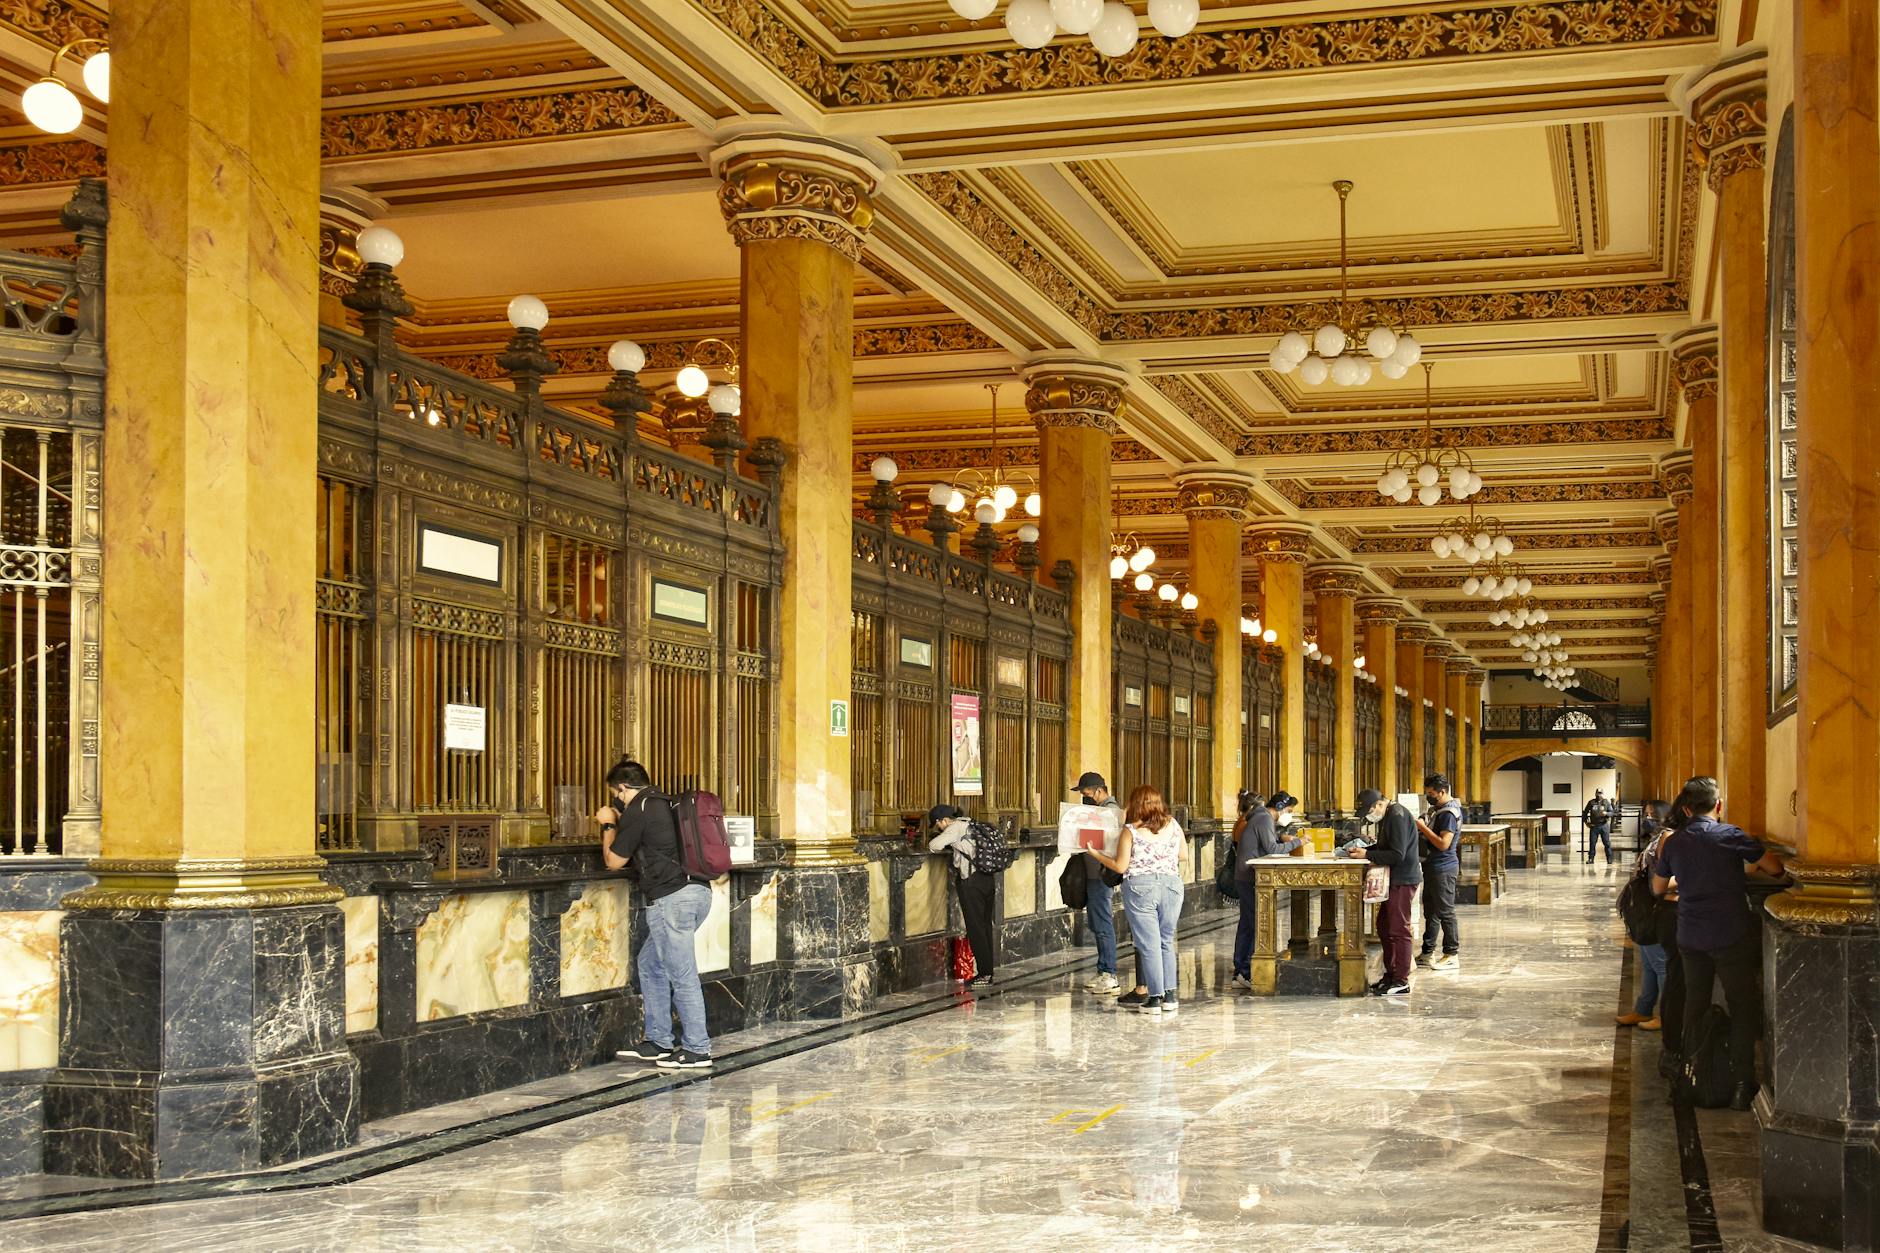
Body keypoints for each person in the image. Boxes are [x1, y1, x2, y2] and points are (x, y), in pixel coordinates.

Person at [1651, 775, 1786, 1110]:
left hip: (1691, 935)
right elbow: (1775, 868)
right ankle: (1742, 1085)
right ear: (1719, 805)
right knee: (1742, 1007)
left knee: (1693, 1005)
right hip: (1730, 933)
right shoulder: (1731, 835)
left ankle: (1690, 1077)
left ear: (1685, 807)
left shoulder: (1675, 842)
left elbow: (1656, 888)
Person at [600, 758, 714, 1071]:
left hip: (672, 899)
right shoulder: (665, 803)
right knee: (650, 963)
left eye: (616, 793)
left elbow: (614, 861)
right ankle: (659, 1041)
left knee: (681, 973)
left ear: (622, 789)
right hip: (698, 892)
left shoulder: (639, 809)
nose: (616, 798)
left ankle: (697, 1049)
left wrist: (608, 823)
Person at [1089, 786, 1187, 1016]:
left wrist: (1096, 854)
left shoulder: (1131, 831)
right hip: (1172, 885)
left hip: (1141, 887)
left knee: (1149, 945)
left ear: (1135, 804)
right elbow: (1183, 855)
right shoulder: (1173, 824)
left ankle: (1154, 998)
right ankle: (1170, 997)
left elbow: (1121, 866)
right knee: (1165, 941)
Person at [1350, 788, 1420, 997]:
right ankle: (1391, 975)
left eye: (1369, 811)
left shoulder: (1397, 815)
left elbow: (1397, 854)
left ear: (1378, 805)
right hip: (1395, 879)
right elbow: (1386, 847)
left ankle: (1401, 980)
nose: (1369, 817)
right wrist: (1368, 852)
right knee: (1384, 926)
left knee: (1399, 929)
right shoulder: (1390, 815)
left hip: (1402, 879)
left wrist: (1368, 854)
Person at [1230, 789, 1303, 990]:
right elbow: (1272, 849)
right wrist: (1299, 842)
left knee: (1248, 922)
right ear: (1279, 808)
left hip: (1247, 876)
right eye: (1289, 810)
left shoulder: (1261, 818)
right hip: (1248, 877)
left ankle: (1241, 970)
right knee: (1253, 923)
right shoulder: (1263, 818)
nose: (1290, 815)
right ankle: (1245, 971)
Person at [929, 804, 998, 988]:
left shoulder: (954, 828)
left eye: (938, 825)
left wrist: (945, 841)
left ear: (943, 820)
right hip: (987, 879)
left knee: (975, 929)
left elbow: (933, 845)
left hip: (972, 882)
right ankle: (988, 971)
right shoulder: (970, 823)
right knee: (984, 926)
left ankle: (984, 974)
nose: (939, 829)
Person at [1618, 815, 1672, 1032]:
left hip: (1650, 908)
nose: (1647, 817)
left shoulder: (1664, 838)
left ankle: (1655, 1012)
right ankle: (1651, 1011)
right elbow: (1658, 878)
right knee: (1654, 964)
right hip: (1649, 907)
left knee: (1656, 965)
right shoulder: (1663, 839)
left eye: (1651, 813)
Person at [1073, 771, 1124, 995]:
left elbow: (1108, 843)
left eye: (1087, 793)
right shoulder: (1100, 811)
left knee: (1102, 922)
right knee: (1096, 922)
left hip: (1101, 873)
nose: (1086, 797)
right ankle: (1103, 968)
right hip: (1092, 872)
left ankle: (1109, 973)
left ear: (1099, 790)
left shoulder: (1110, 812)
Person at [1415, 774, 1463, 971]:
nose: (1429, 797)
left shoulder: (1448, 814)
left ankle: (1452, 953)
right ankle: (1427, 952)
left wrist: (1422, 828)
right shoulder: (1438, 809)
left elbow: (1444, 844)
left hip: (1444, 867)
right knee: (1431, 911)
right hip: (1432, 866)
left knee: (1445, 911)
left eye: (1431, 794)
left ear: (1442, 792)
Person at [1583, 789, 1615, 865]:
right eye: (1597, 793)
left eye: (1600, 793)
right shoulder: (1591, 802)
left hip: (1604, 826)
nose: (1599, 795)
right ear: (1595, 793)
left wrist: (1606, 813)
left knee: (1606, 843)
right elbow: (1585, 813)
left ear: (1603, 794)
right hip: (1594, 826)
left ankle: (1609, 859)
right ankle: (1591, 858)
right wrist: (1586, 822)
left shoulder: (1606, 802)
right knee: (1592, 843)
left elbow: (1612, 812)